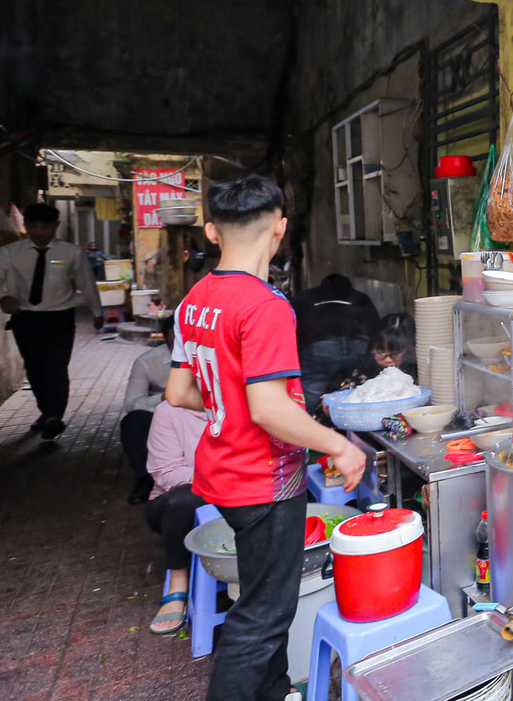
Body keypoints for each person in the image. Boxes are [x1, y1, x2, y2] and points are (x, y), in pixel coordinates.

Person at [165, 174, 365, 701]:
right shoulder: (266, 305)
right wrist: (339, 445)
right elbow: (269, 409)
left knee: (261, 602)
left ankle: (276, 693)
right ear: (279, 230)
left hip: (221, 474)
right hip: (264, 482)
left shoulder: (195, 300)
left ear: (212, 231)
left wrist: (230, 399)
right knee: (262, 618)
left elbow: (179, 392)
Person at [0, 202, 103, 440]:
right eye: (33, 226)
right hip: (25, 318)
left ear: (55, 227)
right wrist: (2, 296)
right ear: (26, 226)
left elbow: (86, 283)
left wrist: (97, 312)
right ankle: (46, 411)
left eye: (44, 227)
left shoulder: (70, 253)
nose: (39, 232)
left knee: (56, 366)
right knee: (34, 367)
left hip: (59, 317)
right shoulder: (9, 253)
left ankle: (54, 416)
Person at [142, 397, 209, 635]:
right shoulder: (168, 412)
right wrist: (222, 474)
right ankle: (177, 583)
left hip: (231, 493)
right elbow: (166, 473)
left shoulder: (241, 401)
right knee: (186, 500)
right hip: (172, 503)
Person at [294, 273, 381, 415]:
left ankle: (304, 423)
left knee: (310, 396)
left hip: (320, 349)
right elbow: (375, 328)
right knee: (359, 391)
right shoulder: (361, 298)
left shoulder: (306, 297)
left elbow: (295, 329)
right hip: (359, 346)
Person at [121, 319, 175, 504]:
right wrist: (163, 398)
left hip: (199, 411)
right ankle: (145, 478)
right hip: (163, 412)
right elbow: (132, 403)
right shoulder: (146, 362)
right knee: (133, 422)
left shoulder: (210, 355)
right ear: (165, 334)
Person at [330, 312, 418, 392]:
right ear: (372, 349)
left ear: (407, 351)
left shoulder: (418, 372)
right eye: (381, 353)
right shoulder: (366, 372)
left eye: (395, 353)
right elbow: (345, 393)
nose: (388, 360)